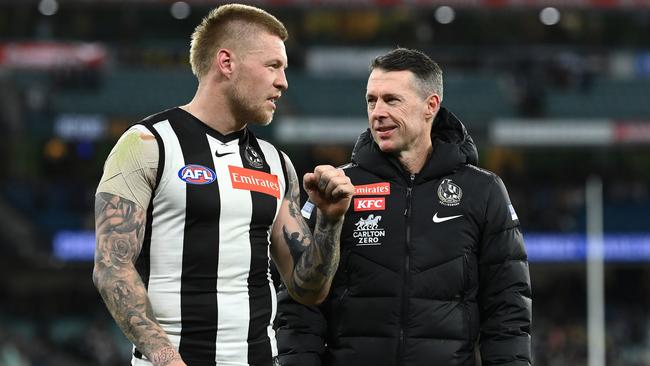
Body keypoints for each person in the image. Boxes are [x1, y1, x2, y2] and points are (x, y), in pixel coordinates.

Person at [92, 4, 354, 366]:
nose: (283, 82)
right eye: (273, 66)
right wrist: (168, 360)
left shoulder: (276, 163)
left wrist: (330, 220)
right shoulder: (147, 144)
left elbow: (307, 288)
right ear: (227, 63)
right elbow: (112, 269)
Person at [275, 48, 532, 366]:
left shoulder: (483, 191)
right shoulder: (337, 190)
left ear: (431, 106)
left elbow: (507, 310)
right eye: (372, 100)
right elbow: (299, 308)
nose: (377, 112)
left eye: (391, 100)